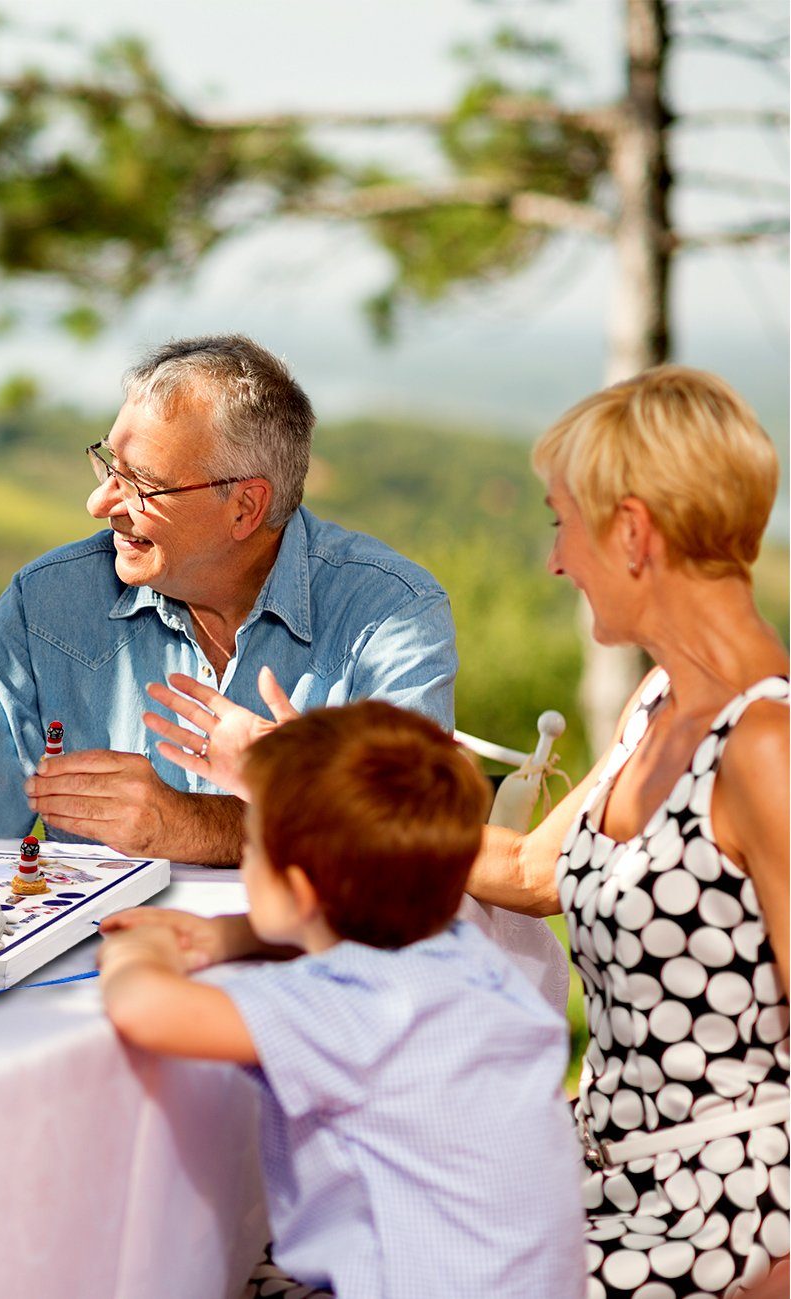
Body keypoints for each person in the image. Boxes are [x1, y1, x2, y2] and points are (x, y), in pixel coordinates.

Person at [145, 366, 789, 1297]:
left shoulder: (765, 744)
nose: (556, 558)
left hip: (713, 1212)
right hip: (603, 1170)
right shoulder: (661, 703)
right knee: (271, 1264)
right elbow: (532, 868)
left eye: (561, 520)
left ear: (634, 534)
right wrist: (302, 778)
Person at [0, 334, 456, 864]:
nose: (99, 502)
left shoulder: (391, 613)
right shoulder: (45, 607)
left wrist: (188, 824)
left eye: (142, 481)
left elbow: (411, 848)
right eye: (109, 464)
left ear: (245, 508)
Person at [98, 702, 584, 1299]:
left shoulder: (351, 1005)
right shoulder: (462, 953)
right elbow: (331, 941)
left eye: (252, 848)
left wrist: (141, 950)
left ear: (300, 890)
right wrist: (231, 935)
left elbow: (147, 1012)